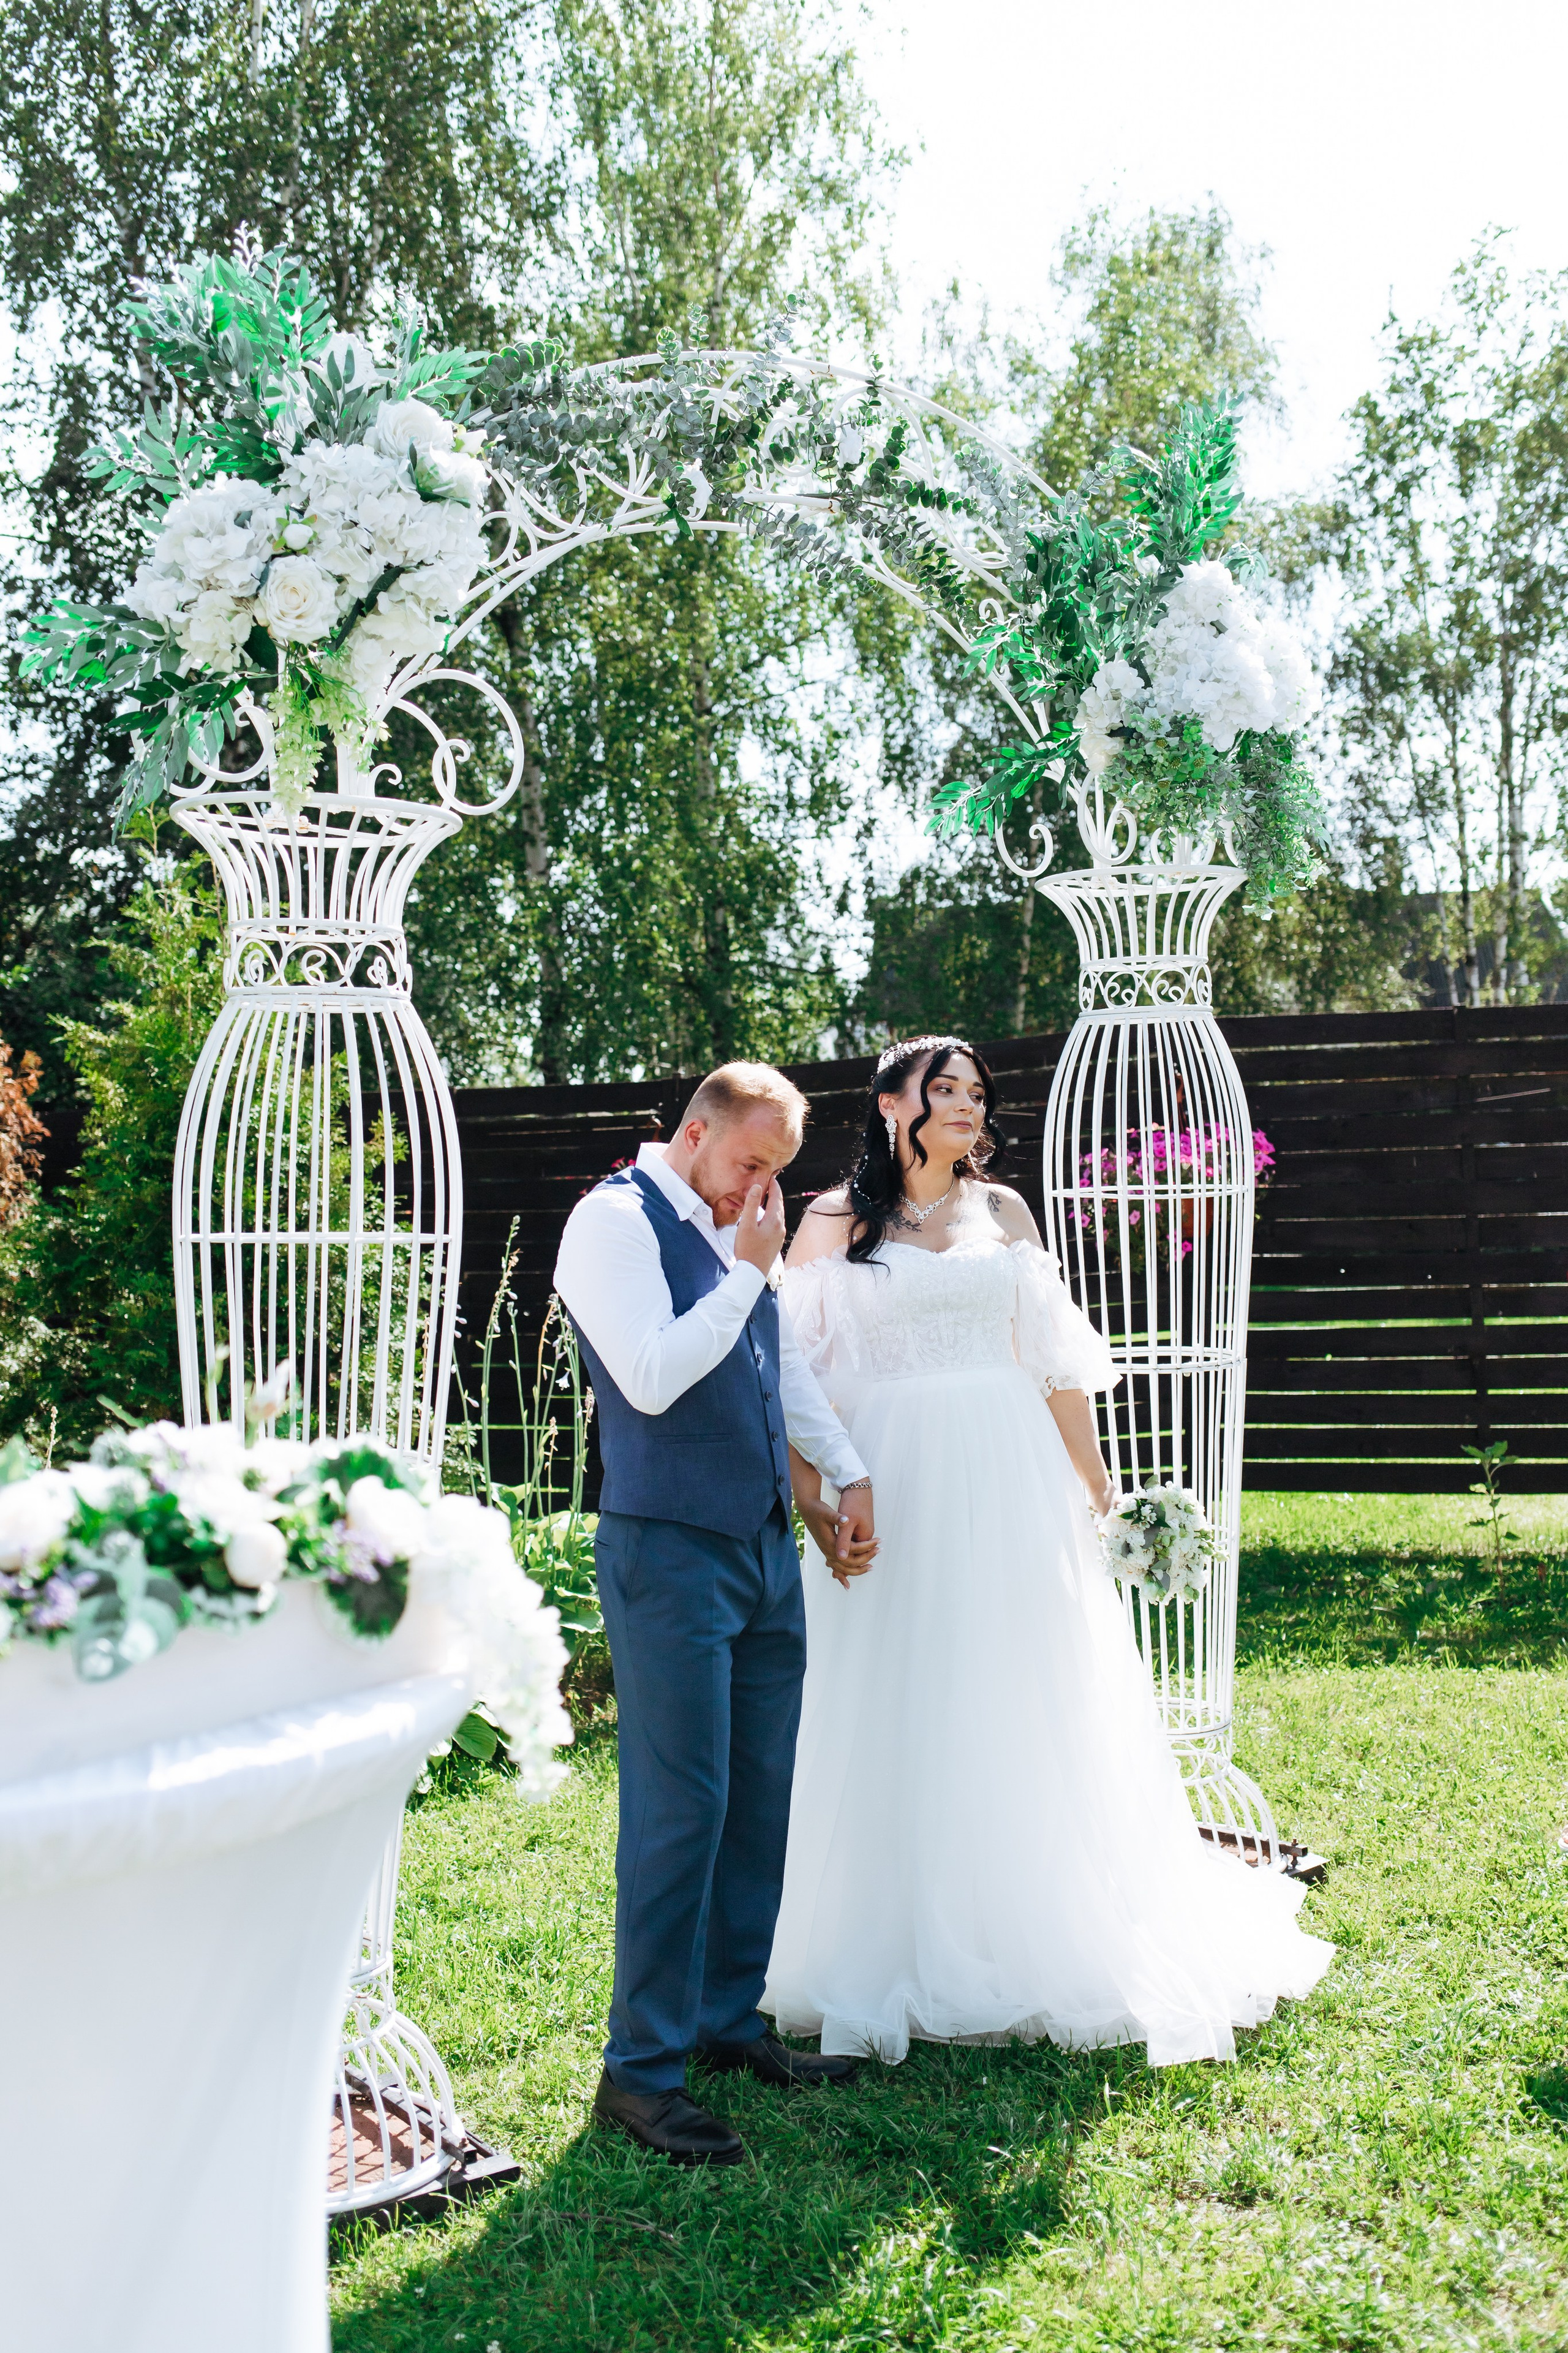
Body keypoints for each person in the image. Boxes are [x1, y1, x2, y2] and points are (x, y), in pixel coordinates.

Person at [766, 1035, 1333, 2068]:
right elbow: (800, 1380)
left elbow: (1056, 1368)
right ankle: (887, 1922)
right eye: (946, 1091)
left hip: (1009, 1469)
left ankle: (1035, 1912)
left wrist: (1100, 1489)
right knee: (899, 1684)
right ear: (893, 1104)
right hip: (892, 1476)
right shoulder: (832, 1225)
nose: (968, 1108)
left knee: (1024, 1677)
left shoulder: (1007, 1214)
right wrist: (822, 1496)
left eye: (978, 1094)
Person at [554, 1061, 880, 2166]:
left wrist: (843, 1473)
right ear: (695, 1133)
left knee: (756, 1799)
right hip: (668, 1554)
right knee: (677, 1810)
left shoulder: (742, 1233)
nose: (761, 1192)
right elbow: (650, 1376)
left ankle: (726, 2023)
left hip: (760, 1550)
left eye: (778, 1175)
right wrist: (750, 1271)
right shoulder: (612, 1222)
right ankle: (640, 2074)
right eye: (751, 1165)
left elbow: (771, 1366)